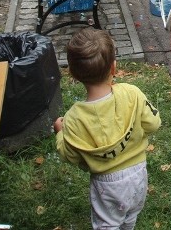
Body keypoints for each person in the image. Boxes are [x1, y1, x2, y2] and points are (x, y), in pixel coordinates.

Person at [54, 28, 161, 230]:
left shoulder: (74, 118)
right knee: (129, 217)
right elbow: (153, 124)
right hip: (138, 174)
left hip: (106, 184)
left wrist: (61, 133)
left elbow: (69, 155)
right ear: (114, 67)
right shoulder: (132, 93)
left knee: (107, 224)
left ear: (73, 74)